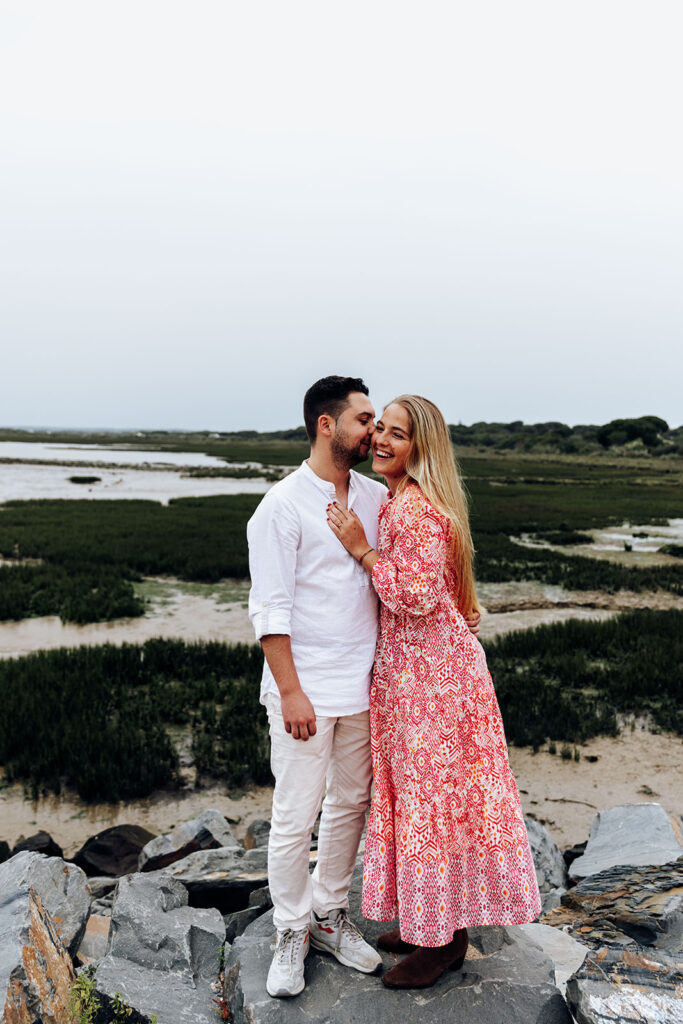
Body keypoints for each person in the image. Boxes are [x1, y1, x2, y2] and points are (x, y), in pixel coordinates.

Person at [327, 395, 541, 989]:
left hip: (435, 685)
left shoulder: (416, 509)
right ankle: (430, 919)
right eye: (380, 429)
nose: (382, 440)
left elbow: (416, 596)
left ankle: (444, 941)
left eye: (398, 434)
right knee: (426, 801)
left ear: (421, 448)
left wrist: (360, 547)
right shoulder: (402, 501)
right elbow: (443, 587)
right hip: (418, 678)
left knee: (432, 805)